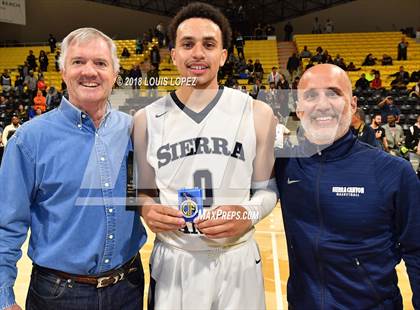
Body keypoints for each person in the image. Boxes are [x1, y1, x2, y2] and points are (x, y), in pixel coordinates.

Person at [132, 3, 277, 309]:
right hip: (175, 259)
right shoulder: (146, 119)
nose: (198, 53)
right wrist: (146, 209)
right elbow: (144, 193)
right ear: (173, 55)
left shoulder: (258, 113)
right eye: (187, 44)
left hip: (237, 257)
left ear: (223, 55)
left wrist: (247, 213)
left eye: (209, 45)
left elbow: (268, 191)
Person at [0, 27, 147, 310]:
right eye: (78, 62)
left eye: (101, 63)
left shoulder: (134, 130)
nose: (89, 71)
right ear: (63, 72)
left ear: (115, 75)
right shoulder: (29, 140)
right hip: (58, 295)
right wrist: (4, 298)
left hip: (127, 287)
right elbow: (6, 225)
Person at [275, 64, 420, 309]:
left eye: (333, 93)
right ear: (298, 109)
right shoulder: (284, 164)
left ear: (352, 105)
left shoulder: (393, 172)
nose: (322, 104)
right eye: (310, 96)